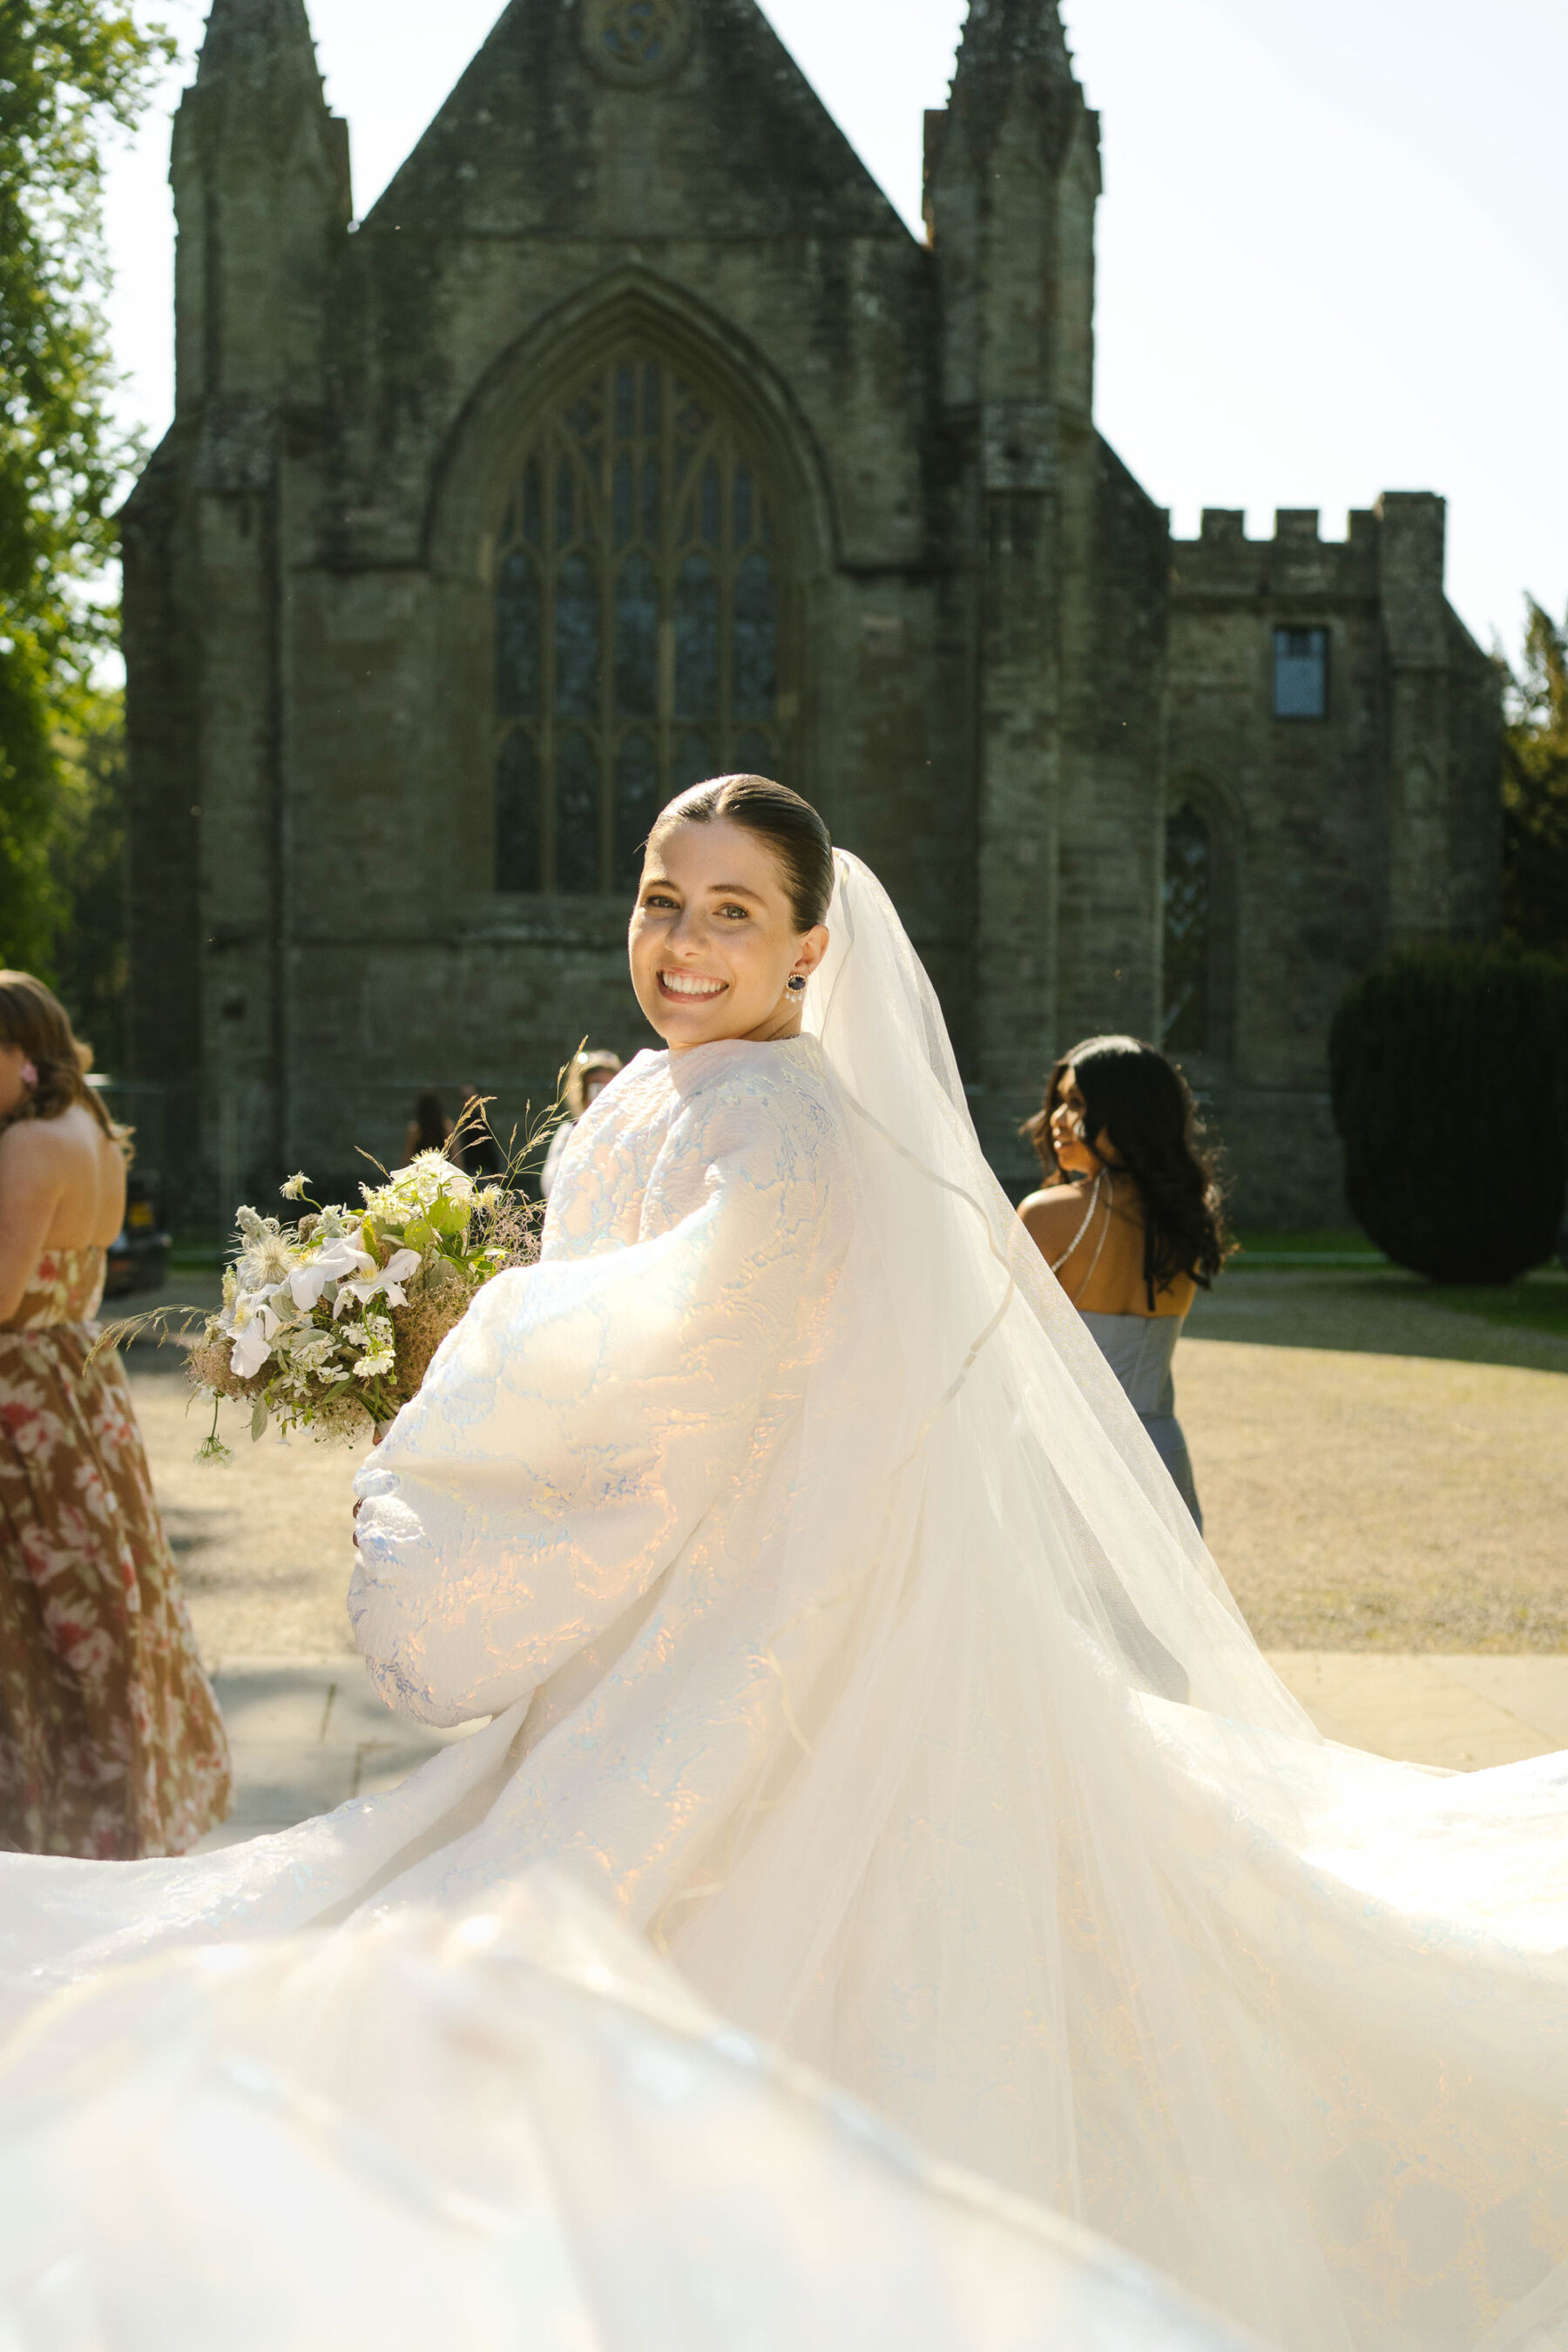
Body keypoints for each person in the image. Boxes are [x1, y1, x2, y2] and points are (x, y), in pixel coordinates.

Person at [3, 788, 1568, 2352]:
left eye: (732, 911)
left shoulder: (777, 1129)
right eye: (660, 898)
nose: (683, 942)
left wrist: (456, 1408)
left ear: (813, 943)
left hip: (754, 1655)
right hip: (676, 1640)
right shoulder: (655, 1101)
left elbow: (668, 1389)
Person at [0, 973, 231, 1858]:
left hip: (23, 1395)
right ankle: (118, 1806)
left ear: (22, 1055)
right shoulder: (90, 1126)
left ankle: (53, 1819)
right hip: (75, 1382)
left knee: (39, 1616)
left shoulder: (27, 1145)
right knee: (98, 1604)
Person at [1017, 1038, 1226, 1528]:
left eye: (1078, 1104)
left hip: (1067, 1455)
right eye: (1060, 1103)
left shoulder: (1050, 1215)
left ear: (1127, 1112)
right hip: (1160, 1457)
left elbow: (998, 1349)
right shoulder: (1185, 1217)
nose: (1058, 1121)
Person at [539, 1048, 623, 1201]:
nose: (604, 1095)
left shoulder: (630, 1131)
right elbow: (551, 1184)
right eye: (596, 1089)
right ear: (582, 1093)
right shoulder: (570, 1132)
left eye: (611, 1087)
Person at [403, 1090, 452, 1162]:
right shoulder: (447, 1127)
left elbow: (407, 1157)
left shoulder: (415, 1130)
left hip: (420, 1171)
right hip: (442, 1170)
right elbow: (456, 1157)